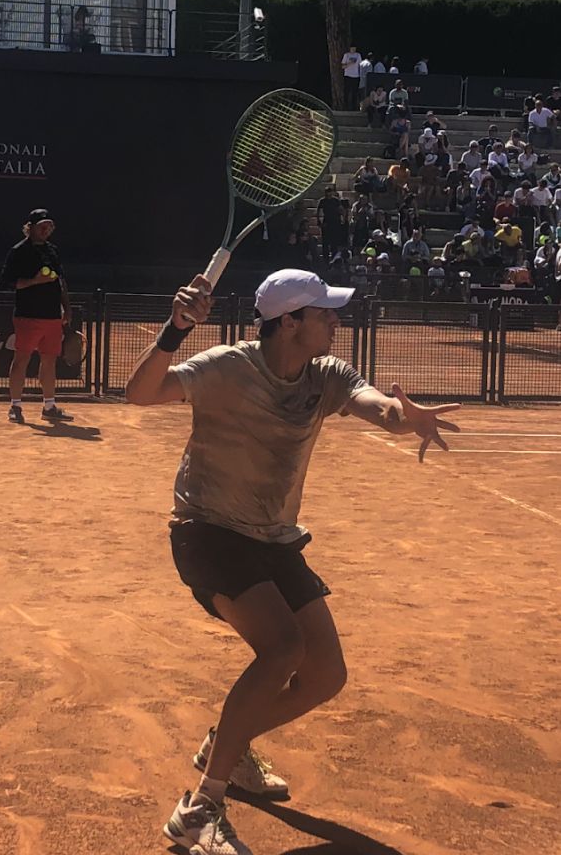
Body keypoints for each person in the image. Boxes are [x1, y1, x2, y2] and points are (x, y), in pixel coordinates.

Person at [125, 269, 460, 855]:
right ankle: (200, 808)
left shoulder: (325, 374)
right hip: (208, 531)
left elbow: (376, 407)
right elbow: (140, 393)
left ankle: (225, 744)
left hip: (274, 538)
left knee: (326, 674)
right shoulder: (228, 366)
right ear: (289, 324)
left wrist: (408, 418)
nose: (336, 320)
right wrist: (175, 331)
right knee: (282, 649)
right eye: (324, 313)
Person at [0, 208, 73, 424]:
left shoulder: (53, 251)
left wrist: (66, 308)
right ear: (29, 228)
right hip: (27, 316)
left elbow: (61, 282)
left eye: (49, 225)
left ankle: (49, 406)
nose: (46, 229)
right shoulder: (18, 251)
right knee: (21, 360)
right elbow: (9, 283)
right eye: (41, 225)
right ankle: (15, 406)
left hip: (52, 317)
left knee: (49, 362)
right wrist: (35, 281)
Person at [316, 186, 342, 263]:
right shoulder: (322, 201)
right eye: (327, 192)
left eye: (330, 192)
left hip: (335, 223)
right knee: (325, 242)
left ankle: (334, 258)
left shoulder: (336, 201)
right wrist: (319, 221)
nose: (329, 193)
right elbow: (319, 211)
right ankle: (326, 259)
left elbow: (340, 209)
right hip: (326, 223)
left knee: (334, 242)